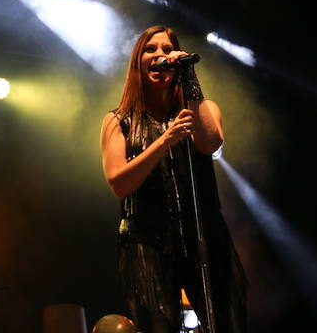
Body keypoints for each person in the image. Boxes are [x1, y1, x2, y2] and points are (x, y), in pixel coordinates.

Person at [99, 25, 248, 333]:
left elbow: (210, 143)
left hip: (204, 235)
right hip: (146, 242)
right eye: (151, 50)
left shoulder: (202, 109)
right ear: (137, 62)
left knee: (228, 323)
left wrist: (189, 76)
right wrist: (164, 141)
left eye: (167, 50)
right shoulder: (118, 120)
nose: (160, 56)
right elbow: (119, 184)